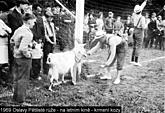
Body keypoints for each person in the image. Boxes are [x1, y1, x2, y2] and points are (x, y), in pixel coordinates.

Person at [10, 13, 36, 105]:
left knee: (17, 78)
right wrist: (29, 55)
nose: (34, 23)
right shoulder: (28, 33)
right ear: (29, 21)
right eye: (33, 21)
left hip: (16, 57)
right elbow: (23, 48)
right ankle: (21, 100)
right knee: (23, 79)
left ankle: (15, 98)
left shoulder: (18, 30)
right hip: (23, 59)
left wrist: (15, 51)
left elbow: (12, 41)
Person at [130, 0, 147, 66]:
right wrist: (146, 24)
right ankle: (136, 61)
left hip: (134, 30)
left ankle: (132, 60)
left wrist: (145, 2)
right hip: (140, 31)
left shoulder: (134, 14)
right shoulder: (142, 18)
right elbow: (143, 27)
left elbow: (141, 8)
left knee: (134, 46)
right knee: (139, 46)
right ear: (140, 11)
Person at [30, 3, 45, 80]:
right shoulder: (30, 18)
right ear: (34, 10)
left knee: (39, 58)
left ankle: (37, 73)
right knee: (34, 59)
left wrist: (42, 40)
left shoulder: (40, 18)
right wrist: (33, 40)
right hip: (33, 41)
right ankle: (33, 74)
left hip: (39, 41)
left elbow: (43, 30)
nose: (39, 13)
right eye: (38, 11)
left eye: (40, 11)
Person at [0, 1, 12, 86]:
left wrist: (5, 32)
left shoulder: (1, 21)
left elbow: (9, 30)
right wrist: (4, 32)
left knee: (2, 63)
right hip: (1, 43)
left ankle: (2, 80)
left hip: (3, 44)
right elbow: (2, 33)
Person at [43, 11, 56, 75]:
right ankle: (45, 70)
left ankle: (50, 69)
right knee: (46, 55)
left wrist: (54, 40)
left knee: (51, 54)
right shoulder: (44, 24)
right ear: (46, 17)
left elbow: (53, 32)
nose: (51, 19)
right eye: (50, 17)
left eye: (52, 17)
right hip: (47, 40)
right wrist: (50, 41)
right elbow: (45, 34)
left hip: (52, 38)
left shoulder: (52, 24)